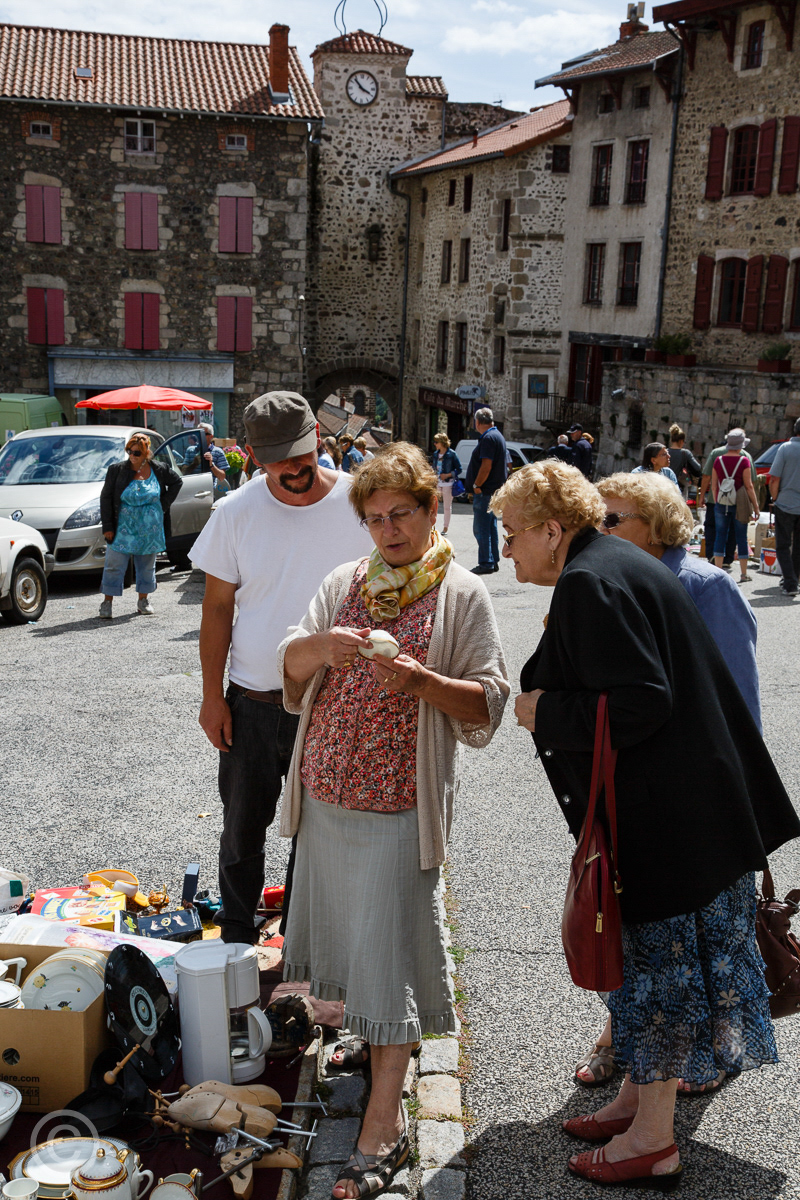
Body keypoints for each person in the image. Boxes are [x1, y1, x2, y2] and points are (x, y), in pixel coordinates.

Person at [491, 459, 798, 1189]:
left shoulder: (589, 581)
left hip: (669, 826)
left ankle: (653, 1142)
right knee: (649, 972)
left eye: (511, 533)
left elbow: (641, 701)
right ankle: (636, 1103)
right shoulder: (617, 563)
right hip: (691, 815)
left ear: (552, 530)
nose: (505, 549)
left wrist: (544, 712)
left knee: (660, 977)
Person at [278, 443, 509, 1200]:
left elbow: (488, 703)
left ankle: (383, 1124)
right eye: (374, 519)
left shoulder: (462, 595)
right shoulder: (345, 581)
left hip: (398, 808)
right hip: (326, 801)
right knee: (354, 945)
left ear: (432, 507)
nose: (388, 531)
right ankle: (369, 1040)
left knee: (391, 960)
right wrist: (321, 648)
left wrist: (421, 681)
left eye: (401, 514)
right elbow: (289, 666)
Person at [573, 470, 763, 1092]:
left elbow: (737, 702)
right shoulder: (609, 580)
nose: (599, 531)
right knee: (637, 925)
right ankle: (625, 1036)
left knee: (706, 936)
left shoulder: (706, 586)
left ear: (656, 525)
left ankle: (710, 1056)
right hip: (638, 789)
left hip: (700, 792)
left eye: (612, 519)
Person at [190, 392, 373, 944]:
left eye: (300, 453)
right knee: (242, 828)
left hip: (332, 703)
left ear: (318, 436)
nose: (293, 468)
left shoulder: (360, 503)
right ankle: (236, 934)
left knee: (316, 832)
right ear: (252, 455)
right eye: (276, 459)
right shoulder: (235, 512)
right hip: (253, 700)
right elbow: (216, 610)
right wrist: (212, 697)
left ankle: (300, 939)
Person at [98, 432, 182, 619]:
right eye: (129, 451)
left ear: (146, 453)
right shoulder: (117, 470)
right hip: (123, 527)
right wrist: (108, 526)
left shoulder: (159, 469)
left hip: (149, 529)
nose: (132, 456)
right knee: (114, 565)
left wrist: (163, 505)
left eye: (137, 453)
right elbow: (106, 498)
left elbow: (177, 482)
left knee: (146, 566)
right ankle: (107, 602)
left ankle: (143, 600)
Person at [698, 432, 756, 565]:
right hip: (738, 502)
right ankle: (728, 558)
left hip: (716, 499)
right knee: (734, 530)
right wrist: (753, 504)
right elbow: (751, 482)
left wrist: (702, 496)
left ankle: (712, 556)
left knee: (713, 528)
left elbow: (706, 476)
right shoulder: (746, 456)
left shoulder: (716, 454)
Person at [711, 428, 760, 583]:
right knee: (741, 537)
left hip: (721, 502)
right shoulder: (744, 461)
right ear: (740, 446)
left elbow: (714, 485)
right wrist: (756, 506)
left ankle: (718, 572)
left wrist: (718, 500)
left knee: (720, 535)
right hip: (740, 504)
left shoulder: (718, 460)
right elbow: (749, 486)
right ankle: (743, 574)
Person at [465, 407, 508, 574]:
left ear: (477, 422)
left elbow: (486, 465)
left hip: (485, 491)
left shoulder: (488, 438)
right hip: (493, 490)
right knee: (490, 527)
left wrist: (476, 485)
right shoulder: (497, 436)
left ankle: (486, 562)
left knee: (481, 528)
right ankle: (492, 560)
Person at [769, 417, 800, 597]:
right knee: (798, 546)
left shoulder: (785, 448)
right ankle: (794, 578)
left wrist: (775, 497)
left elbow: (774, 478)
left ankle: (790, 582)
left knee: (783, 545)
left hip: (786, 503)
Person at [430, 433, 462, 535]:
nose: (435, 444)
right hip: (437, 482)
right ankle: (431, 525)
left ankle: (445, 527)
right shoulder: (435, 454)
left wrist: (448, 475)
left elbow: (459, 469)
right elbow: (434, 467)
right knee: (432, 504)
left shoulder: (452, 454)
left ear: (442, 442)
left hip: (448, 483)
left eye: (436, 442)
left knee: (447, 506)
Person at [667, 423, 702, 499]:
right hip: (679, 488)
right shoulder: (685, 453)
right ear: (681, 441)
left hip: (665, 487)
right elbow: (697, 468)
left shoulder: (665, 453)